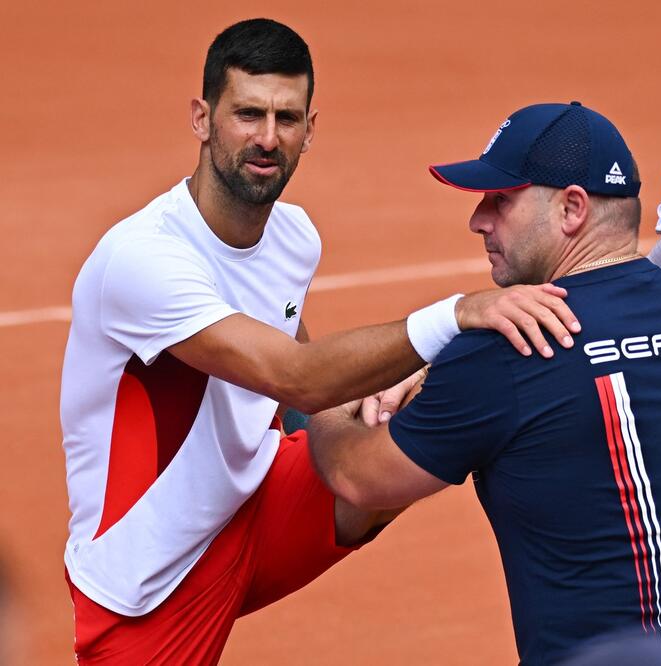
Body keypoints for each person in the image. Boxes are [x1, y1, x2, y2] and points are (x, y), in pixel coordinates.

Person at [60, 19, 581, 664]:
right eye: (247, 114)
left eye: (287, 118)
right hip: (148, 585)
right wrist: (456, 313)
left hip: (255, 506)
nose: (268, 138)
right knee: (454, 347)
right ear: (202, 118)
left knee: (448, 398)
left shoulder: (294, 235)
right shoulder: (143, 261)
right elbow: (293, 376)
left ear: (311, 128)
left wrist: (366, 401)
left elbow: (298, 364)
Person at [308, 94, 661, 665]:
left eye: (501, 200)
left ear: (571, 209)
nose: (478, 220)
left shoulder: (508, 348)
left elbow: (358, 477)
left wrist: (326, 399)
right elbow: (607, 364)